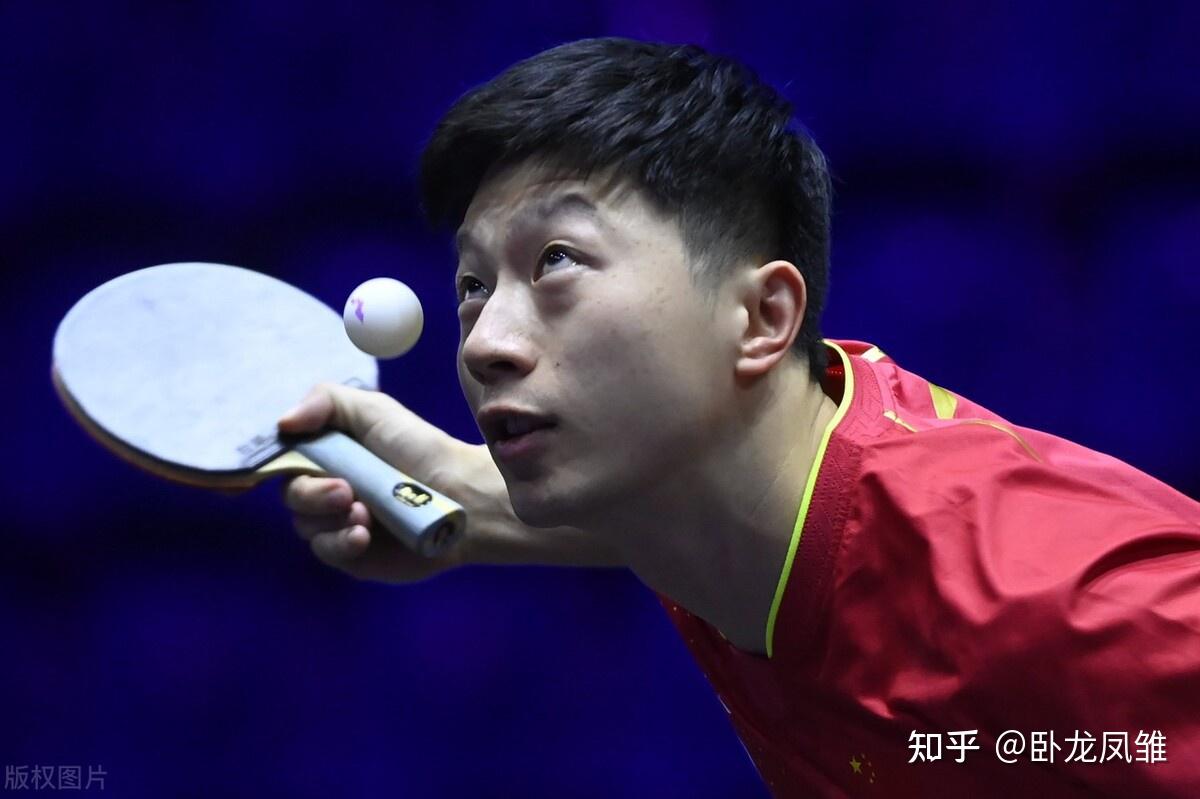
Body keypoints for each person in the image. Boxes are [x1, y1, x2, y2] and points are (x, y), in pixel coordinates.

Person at [276, 38, 1200, 797]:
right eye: (474, 285)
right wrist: (456, 497)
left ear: (761, 318)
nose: (485, 343)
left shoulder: (1061, 605)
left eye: (556, 260)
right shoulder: (715, 486)